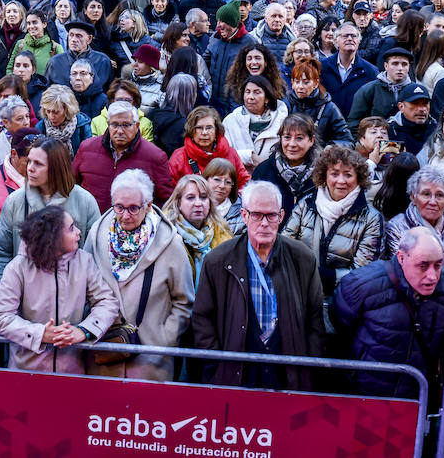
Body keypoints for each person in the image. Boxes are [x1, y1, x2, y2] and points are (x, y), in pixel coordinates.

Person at [191, 180, 325, 388]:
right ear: (244, 216)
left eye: (271, 215)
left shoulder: (302, 258)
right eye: (256, 215)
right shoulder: (218, 260)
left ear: (281, 216)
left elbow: (314, 319)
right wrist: (218, 362)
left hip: (288, 372)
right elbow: (202, 318)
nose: (264, 223)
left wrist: (307, 367)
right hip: (236, 371)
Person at [83, 169, 194, 380]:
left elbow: (184, 302)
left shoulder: (171, 243)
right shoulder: (97, 234)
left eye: (134, 208)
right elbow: (84, 288)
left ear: (149, 206)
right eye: (119, 207)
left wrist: (162, 339)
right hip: (104, 354)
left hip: (151, 360)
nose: (125, 216)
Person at [331, 227, 444, 396]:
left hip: (418, 401)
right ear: (401, 258)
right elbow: (340, 328)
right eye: (423, 266)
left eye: (438, 265)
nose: (432, 276)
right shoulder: (361, 285)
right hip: (365, 396)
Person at [0, 205, 120, 373]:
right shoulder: (18, 268)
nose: (79, 232)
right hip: (26, 371)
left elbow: (107, 302)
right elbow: (1, 317)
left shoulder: (85, 261)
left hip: (73, 370)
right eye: (71, 228)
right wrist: (40, 334)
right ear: (53, 238)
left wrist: (84, 330)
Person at [282, 144, 385, 297]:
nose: (341, 181)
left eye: (348, 175)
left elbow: (363, 272)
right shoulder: (306, 204)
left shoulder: (371, 218)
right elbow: (285, 246)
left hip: (342, 299)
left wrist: (320, 275)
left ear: (359, 178)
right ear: (324, 176)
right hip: (299, 291)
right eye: (335, 174)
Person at [0, 136, 101, 274]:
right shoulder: (15, 201)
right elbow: (1, 252)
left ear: (56, 167)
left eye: (38, 164)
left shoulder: (85, 201)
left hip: (72, 290)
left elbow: (96, 255)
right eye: (29, 161)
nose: (30, 168)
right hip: (26, 291)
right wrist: (8, 289)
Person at [384, 165, 444, 288]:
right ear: (413, 197)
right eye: (426, 194)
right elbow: (404, 276)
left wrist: (434, 280)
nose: (432, 202)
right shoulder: (397, 227)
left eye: (440, 195)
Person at [72, 101, 173, 210]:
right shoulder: (86, 148)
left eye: (126, 125)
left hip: (134, 223)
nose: (120, 131)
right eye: (114, 124)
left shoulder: (155, 156)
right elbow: (73, 186)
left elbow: (165, 200)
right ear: (108, 124)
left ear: (137, 126)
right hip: (92, 224)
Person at [163, 173, 233, 284]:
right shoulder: (165, 235)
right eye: (190, 198)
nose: (198, 203)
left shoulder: (223, 233)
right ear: (178, 202)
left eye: (204, 197)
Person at [250, 114, 318, 215]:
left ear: (311, 140)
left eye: (299, 138)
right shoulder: (263, 171)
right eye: (287, 137)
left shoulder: (321, 174)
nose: (292, 144)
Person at [169, 105, 250, 185]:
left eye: (209, 128)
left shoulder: (231, 153)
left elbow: (244, 183)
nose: (204, 132)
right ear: (191, 131)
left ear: (216, 130)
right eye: (199, 128)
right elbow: (171, 190)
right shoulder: (178, 157)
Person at [221, 74, 288, 167]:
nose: (250, 97)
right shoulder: (230, 121)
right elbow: (223, 153)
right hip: (237, 176)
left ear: (267, 98)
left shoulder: (281, 121)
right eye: (247, 92)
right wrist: (250, 157)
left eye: (257, 92)